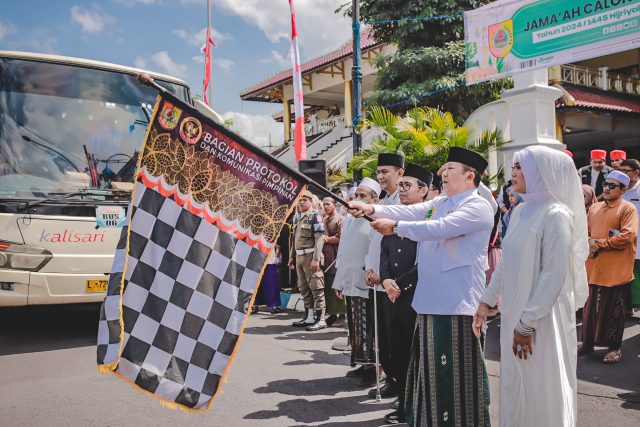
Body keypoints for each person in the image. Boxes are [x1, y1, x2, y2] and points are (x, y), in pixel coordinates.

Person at [349, 147, 494, 426]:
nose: (442, 173)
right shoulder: (441, 202)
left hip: (458, 304)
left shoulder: (476, 206)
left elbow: (439, 228)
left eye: (449, 168)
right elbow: (412, 210)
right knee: (431, 377)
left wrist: (396, 228)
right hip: (431, 301)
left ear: (470, 176)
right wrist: (371, 208)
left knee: (458, 377)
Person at [473, 145, 589, 426]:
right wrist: (487, 300)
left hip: (542, 319)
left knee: (542, 385)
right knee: (516, 384)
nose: (513, 172)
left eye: (520, 166)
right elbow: (506, 261)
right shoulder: (523, 210)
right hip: (516, 313)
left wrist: (527, 323)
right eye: (514, 165)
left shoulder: (556, 214)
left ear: (543, 172)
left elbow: (554, 274)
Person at [379, 163, 431, 425]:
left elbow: (426, 262)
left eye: (407, 186)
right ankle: (402, 404)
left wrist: (399, 284)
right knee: (395, 353)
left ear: (423, 191)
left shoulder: (428, 221)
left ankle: (414, 407)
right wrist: (386, 279)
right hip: (391, 297)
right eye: (400, 185)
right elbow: (385, 252)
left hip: (413, 298)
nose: (401, 190)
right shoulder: (394, 219)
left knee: (414, 355)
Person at [580, 170, 638, 363]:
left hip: (616, 270)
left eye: (612, 186)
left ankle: (614, 348)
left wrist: (599, 243)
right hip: (594, 267)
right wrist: (589, 241)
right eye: (605, 184)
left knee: (614, 311)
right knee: (590, 311)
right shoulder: (594, 208)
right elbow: (584, 232)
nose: (606, 188)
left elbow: (628, 235)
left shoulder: (628, 208)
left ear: (623, 189)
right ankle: (587, 343)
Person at [333, 178, 381, 385]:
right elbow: (343, 251)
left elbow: (377, 252)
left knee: (370, 327)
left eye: (363, 196)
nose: (357, 200)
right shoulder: (350, 219)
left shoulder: (377, 218)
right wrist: (338, 281)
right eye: (355, 196)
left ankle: (376, 368)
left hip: (367, 280)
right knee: (356, 326)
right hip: (350, 280)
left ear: (374, 199)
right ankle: (364, 364)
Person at [364, 153, 404, 395]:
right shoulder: (383, 202)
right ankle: (391, 378)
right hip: (376, 278)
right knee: (383, 337)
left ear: (400, 173)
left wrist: (383, 273)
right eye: (378, 172)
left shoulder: (403, 203)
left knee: (396, 338)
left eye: (385, 172)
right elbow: (374, 243)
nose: (380, 177)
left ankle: (400, 384)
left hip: (392, 281)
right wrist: (369, 267)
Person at [288, 190, 326, 330]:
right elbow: (294, 239)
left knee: (316, 287)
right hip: (299, 256)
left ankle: (320, 318)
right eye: (300, 199)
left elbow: (319, 239)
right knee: (303, 287)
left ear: (311, 201)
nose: (302, 201)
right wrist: (292, 256)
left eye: (305, 199)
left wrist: (316, 259)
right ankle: (309, 316)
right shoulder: (297, 217)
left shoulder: (315, 216)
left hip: (310, 255)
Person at [321, 196, 346, 327]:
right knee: (328, 286)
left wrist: (325, 239)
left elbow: (341, 237)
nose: (325, 206)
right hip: (326, 257)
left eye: (328, 204)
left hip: (336, 257)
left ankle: (342, 314)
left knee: (336, 284)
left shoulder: (341, 219)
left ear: (334, 205)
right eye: (323, 204)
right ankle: (332, 314)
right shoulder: (324, 219)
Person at [620, 159, 640, 308]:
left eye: (626, 171)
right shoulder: (620, 189)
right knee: (626, 274)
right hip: (623, 238)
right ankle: (628, 306)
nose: (623, 174)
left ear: (636, 172)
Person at [256, 245, 282, 314]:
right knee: (255, 283)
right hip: (256, 258)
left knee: (271, 283)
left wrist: (277, 252)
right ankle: (254, 304)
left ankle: (273, 305)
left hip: (270, 259)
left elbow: (277, 244)